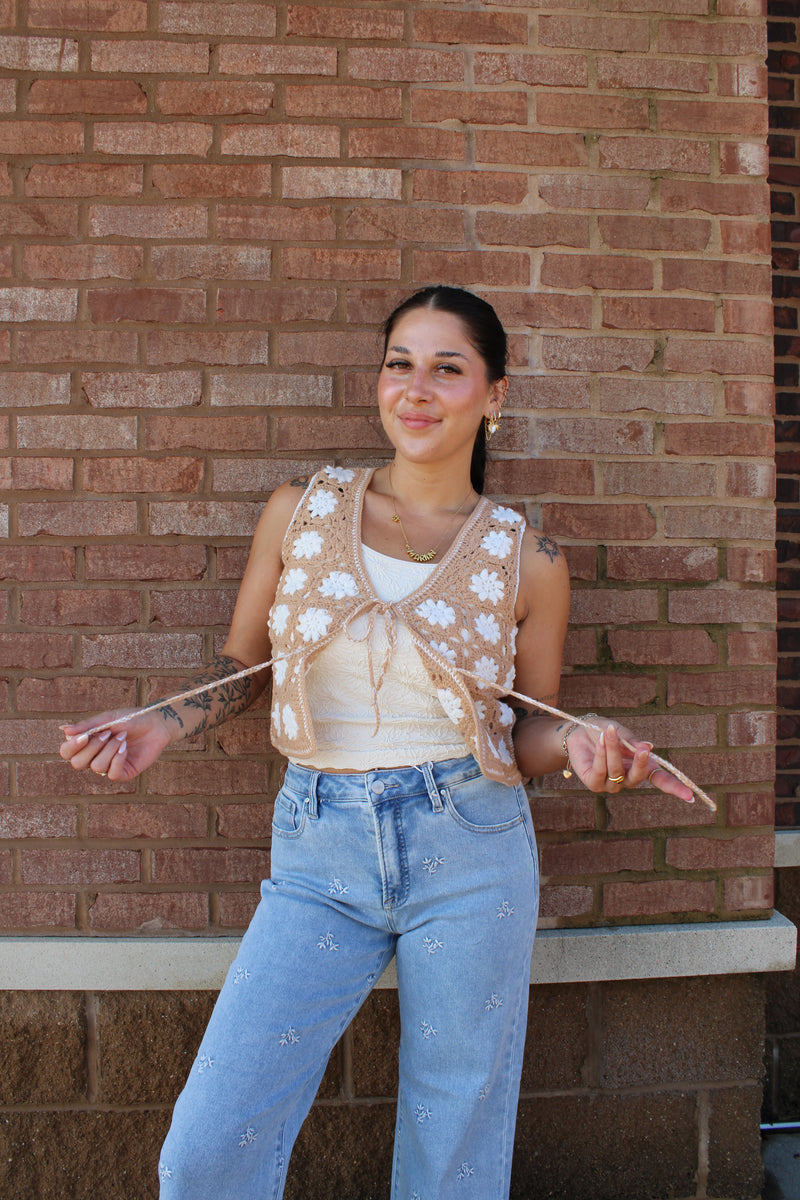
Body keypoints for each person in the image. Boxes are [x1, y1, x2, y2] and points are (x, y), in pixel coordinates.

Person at [60, 286, 693, 1199]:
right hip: (319, 847)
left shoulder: (530, 559)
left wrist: (586, 745)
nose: (417, 388)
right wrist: (157, 723)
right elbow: (245, 666)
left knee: (452, 1154)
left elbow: (526, 729)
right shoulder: (301, 509)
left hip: (472, 847)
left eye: (448, 368)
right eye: (401, 363)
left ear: (495, 395)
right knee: (208, 1146)